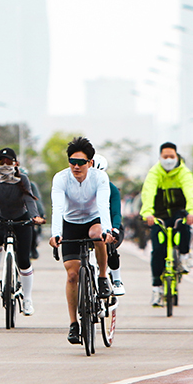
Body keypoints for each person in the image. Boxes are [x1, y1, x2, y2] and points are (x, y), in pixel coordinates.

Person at [48, 137, 115, 344]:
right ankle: (73, 324)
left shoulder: (100, 178)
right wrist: (55, 234)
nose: (76, 167)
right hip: (71, 223)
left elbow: (104, 205)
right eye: (72, 162)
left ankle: (103, 277)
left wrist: (107, 230)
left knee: (97, 236)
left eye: (81, 163)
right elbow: (57, 207)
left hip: (93, 220)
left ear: (90, 163)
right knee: (71, 275)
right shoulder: (60, 178)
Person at [0, 147, 45, 316]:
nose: (5, 165)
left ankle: (27, 299)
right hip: (2, 218)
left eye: (9, 162)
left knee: (23, 261)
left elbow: (30, 201)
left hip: (22, 220)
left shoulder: (24, 179)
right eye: (1, 162)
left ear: (16, 164)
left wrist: (35, 217)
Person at [140, 142, 193, 307]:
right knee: (158, 250)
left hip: (177, 213)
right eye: (165, 157)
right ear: (160, 157)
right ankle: (157, 288)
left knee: (184, 225)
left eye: (171, 156)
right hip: (158, 215)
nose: (168, 160)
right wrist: (147, 214)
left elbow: (190, 192)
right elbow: (148, 193)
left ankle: (184, 255)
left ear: (177, 156)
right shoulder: (154, 172)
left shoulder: (183, 172)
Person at [92, 154, 126, 296]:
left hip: (110, 224)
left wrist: (114, 229)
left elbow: (116, 212)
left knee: (109, 244)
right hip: (91, 226)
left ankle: (117, 279)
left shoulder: (111, 188)